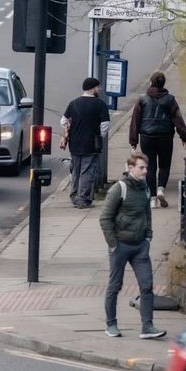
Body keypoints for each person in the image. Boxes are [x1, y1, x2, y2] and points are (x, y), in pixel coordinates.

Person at [100, 151, 166, 340]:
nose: (145, 171)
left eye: (146, 168)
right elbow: (104, 218)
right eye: (141, 168)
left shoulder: (145, 189)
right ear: (131, 168)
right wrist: (113, 244)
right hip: (120, 245)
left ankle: (148, 327)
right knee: (115, 285)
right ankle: (111, 325)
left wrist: (148, 237)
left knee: (147, 285)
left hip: (140, 247)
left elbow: (147, 214)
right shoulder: (119, 189)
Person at [128, 71, 186, 208]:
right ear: (163, 84)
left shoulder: (142, 99)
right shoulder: (170, 100)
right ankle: (161, 188)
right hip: (165, 137)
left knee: (150, 167)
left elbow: (135, 121)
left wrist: (133, 141)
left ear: (151, 82)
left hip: (147, 137)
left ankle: (152, 199)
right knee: (164, 165)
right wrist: (184, 137)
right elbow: (177, 119)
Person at [59, 77, 111, 209]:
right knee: (87, 171)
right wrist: (99, 135)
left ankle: (74, 195)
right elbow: (105, 125)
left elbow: (63, 121)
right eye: (98, 87)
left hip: (74, 143)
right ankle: (82, 198)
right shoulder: (100, 104)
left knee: (76, 171)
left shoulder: (73, 103)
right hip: (91, 144)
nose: (99, 89)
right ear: (92, 88)